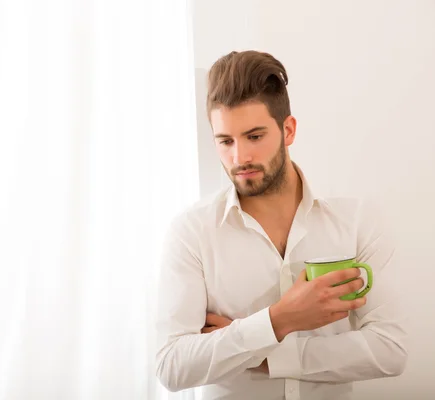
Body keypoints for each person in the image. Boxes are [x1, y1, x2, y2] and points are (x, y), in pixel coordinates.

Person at [155, 50, 407, 400]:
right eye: (225, 141)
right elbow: (172, 365)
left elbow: (390, 350)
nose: (239, 158)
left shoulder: (357, 221)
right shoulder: (192, 232)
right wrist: (278, 320)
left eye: (254, 137)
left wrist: (268, 354)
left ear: (288, 130)